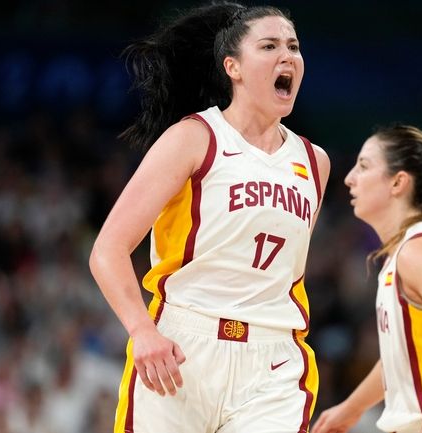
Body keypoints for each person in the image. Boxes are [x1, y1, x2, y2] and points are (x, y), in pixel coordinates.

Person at [88, 2, 330, 432]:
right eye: (270, 45)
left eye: (293, 46)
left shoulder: (314, 162)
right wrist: (141, 330)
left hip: (272, 361)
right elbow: (108, 249)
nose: (287, 56)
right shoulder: (193, 138)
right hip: (183, 349)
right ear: (233, 67)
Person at [313, 125, 422, 433]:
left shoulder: (418, 249)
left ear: (398, 182)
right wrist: (350, 408)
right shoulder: (406, 251)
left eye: (364, 166)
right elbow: (403, 359)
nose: (349, 178)